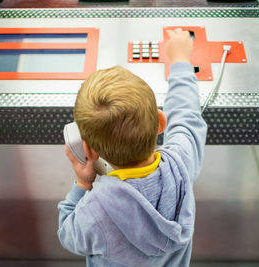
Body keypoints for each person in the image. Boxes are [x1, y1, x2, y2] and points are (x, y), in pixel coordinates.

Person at [58, 28, 207, 267]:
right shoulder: (182, 164)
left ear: (88, 150)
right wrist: (180, 61)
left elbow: (67, 234)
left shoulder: (94, 210)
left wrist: (83, 184)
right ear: (160, 122)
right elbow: (187, 115)